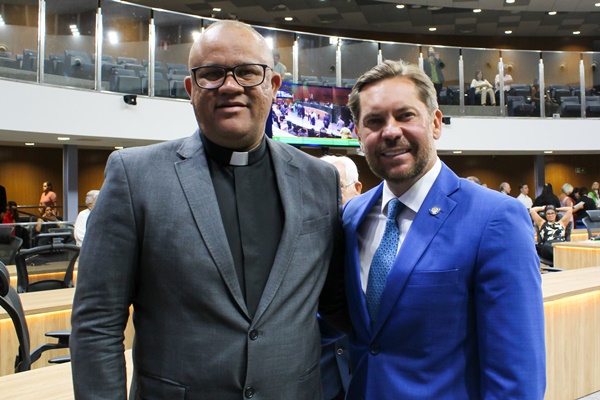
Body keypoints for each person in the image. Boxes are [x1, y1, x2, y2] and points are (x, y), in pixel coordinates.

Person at [70, 20, 346, 400]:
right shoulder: (135, 176)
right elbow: (97, 322)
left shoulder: (319, 180)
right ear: (191, 89)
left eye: (248, 72)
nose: (230, 86)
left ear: (274, 86)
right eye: (212, 74)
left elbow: (336, 305)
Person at [343, 59, 545, 399]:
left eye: (405, 115)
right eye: (374, 121)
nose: (390, 131)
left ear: (436, 123)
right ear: (358, 135)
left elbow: (517, 379)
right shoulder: (352, 216)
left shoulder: (496, 218)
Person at [320, 155, 362, 400]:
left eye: (334, 189)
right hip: (318, 382)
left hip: (364, 376)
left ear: (357, 189)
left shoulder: (374, 233)